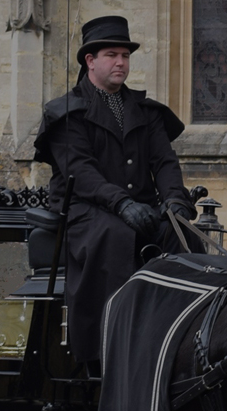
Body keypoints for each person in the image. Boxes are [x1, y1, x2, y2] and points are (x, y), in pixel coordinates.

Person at [32, 15, 197, 368]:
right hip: (83, 210)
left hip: (138, 207)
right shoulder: (66, 113)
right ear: (90, 61)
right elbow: (81, 171)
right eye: (112, 55)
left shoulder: (145, 111)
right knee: (115, 237)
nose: (120, 62)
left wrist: (175, 201)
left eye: (125, 55)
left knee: (182, 237)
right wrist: (121, 202)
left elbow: (164, 162)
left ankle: (183, 340)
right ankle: (108, 350)